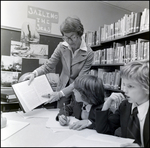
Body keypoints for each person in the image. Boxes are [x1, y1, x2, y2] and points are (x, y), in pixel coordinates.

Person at [23, 16, 94, 108]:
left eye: (72, 37)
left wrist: (60, 94)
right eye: (65, 37)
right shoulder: (62, 46)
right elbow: (48, 66)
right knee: (60, 115)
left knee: (76, 115)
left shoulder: (89, 53)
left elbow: (79, 81)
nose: (69, 41)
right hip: (62, 86)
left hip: (78, 91)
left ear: (79, 34)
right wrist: (34, 73)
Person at [95, 60, 149, 147]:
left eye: (130, 86)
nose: (124, 90)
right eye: (124, 85)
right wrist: (106, 104)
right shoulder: (125, 105)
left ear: (147, 87)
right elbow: (104, 129)